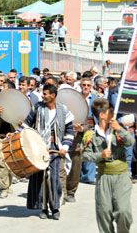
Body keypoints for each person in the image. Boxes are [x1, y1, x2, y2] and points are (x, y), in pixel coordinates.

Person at [10, 84, 74, 220]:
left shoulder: (64, 110)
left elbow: (69, 132)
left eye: (45, 94)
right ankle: (43, 208)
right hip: (38, 147)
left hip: (55, 148)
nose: (43, 96)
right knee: (40, 179)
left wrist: (65, 147)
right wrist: (15, 135)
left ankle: (55, 208)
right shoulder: (38, 107)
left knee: (53, 178)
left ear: (53, 95)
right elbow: (26, 124)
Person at [82, 98, 134, 233]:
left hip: (121, 176)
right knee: (104, 213)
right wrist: (100, 156)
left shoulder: (117, 130)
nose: (114, 115)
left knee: (123, 212)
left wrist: (120, 129)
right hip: (104, 177)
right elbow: (84, 155)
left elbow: (130, 142)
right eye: (111, 112)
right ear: (102, 115)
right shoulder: (90, 134)